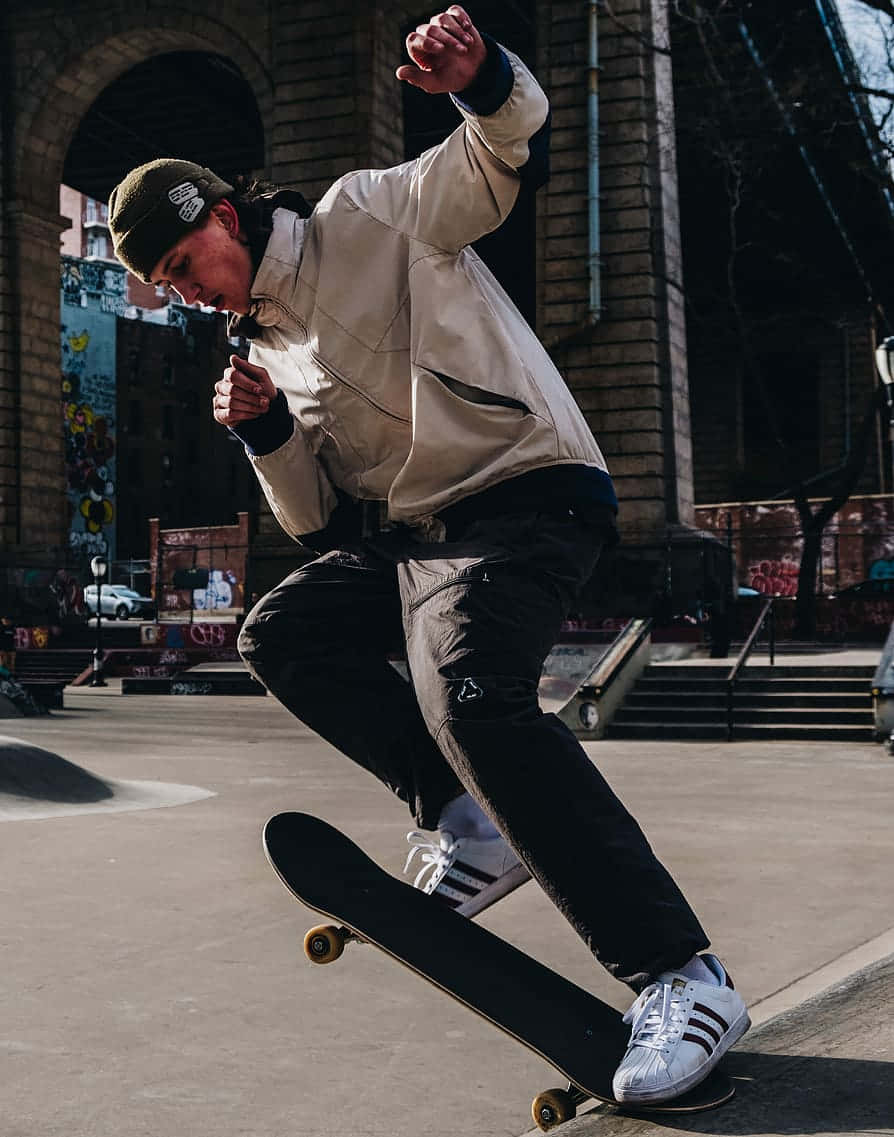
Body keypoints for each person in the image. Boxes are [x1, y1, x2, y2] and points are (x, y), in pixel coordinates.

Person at [107, 6, 749, 1103]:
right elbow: (315, 523)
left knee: (471, 691)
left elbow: (496, 159)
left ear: (222, 213)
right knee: (286, 631)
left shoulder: (367, 215)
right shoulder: (260, 344)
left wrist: (480, 79)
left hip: (528, 495)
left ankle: (684, 978)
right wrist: (266, 433)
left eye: (182, 261)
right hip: (418, 538)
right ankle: (462, 824)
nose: (183, 288)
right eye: (163, 284)